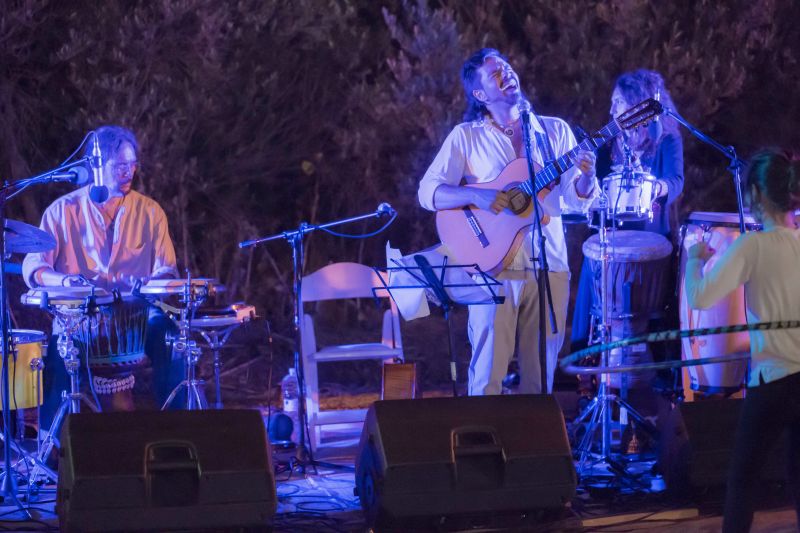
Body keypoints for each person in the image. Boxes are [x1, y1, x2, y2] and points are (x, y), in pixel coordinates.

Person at [418, 48, 599, 395]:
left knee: (540, 378)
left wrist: (588, 178)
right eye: (495, 73)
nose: (507, 74)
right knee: (488, 373)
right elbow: (428, 192)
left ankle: (534, 433)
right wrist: (477, 196)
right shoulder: (466, 136)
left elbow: (575, 199)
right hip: (493, 266)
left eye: (507, 67)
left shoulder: (553, 130)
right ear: (480, 94)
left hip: (549, 264)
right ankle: (482, 431)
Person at [22, 125, 183, 429]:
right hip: (78, 318)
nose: (128, 172)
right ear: (96, 166)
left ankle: (180, 431)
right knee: (59, 358)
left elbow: (167, 270)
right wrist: (65, 281)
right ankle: (54, 444)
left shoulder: (150, 212)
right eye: (120, 165)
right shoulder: (62, 211)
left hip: (136, 315)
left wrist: (151, 284)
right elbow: (34, 268)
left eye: (132, 164)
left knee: (171, 339)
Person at [684, 149, 800, 532]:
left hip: (773, 381)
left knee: (743, 480)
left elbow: (700, 298)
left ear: (755, 195)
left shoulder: (753, 246)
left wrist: (695, 260)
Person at [570, 70, 685, 394]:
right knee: (592, 260)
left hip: (652, 234)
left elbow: (676, 181)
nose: (611, 109)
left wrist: (655, 188)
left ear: (637, 103)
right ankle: (585, 367)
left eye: (618, 102)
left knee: (650, 303)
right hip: (613, 233)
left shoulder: (667, 138)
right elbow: (593, 187)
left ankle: (658, 379)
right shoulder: (610, 144)